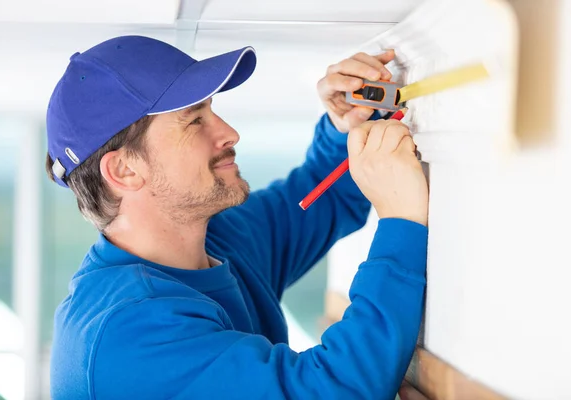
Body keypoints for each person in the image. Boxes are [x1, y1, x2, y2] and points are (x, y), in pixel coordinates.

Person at [45, 35, 429, 399]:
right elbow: (335, 391)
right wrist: (401, 222)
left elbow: (314, 199)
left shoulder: (213, 241)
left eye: (213, 111)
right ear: (125, 171)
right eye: (194, 120)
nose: (230, 133)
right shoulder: (128, 335)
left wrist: (347, 124)